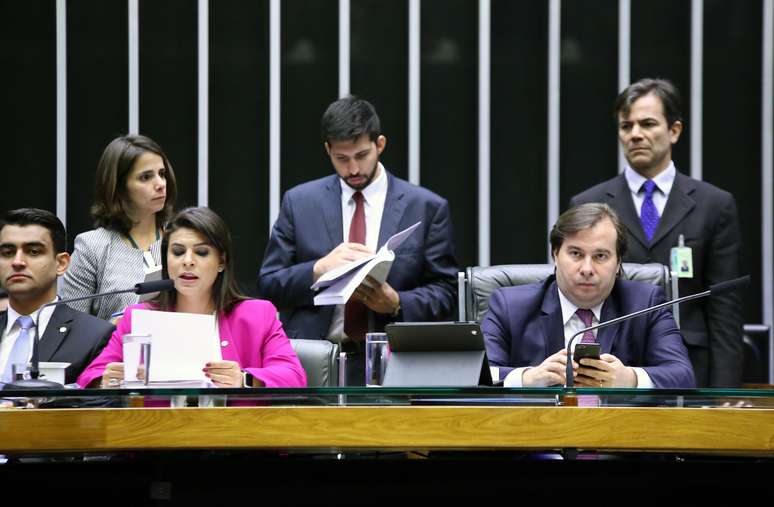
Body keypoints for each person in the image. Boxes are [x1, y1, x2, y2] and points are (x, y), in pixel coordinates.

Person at [257, 96, 459, 386]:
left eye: (361, 155)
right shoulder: (300, 202)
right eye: (342, 158)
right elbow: (268, 284)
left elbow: (446, 292)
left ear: (380, 144)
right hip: (313, 360)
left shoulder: (426, 207)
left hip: (393, 362)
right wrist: (318, 269)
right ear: (328, 150)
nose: (353, 169)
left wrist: (397, 303)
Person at [570, 78, 743, 387]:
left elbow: (724, 311)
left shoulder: (714, 205)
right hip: (610, 366)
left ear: (674, 130)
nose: (635, 134)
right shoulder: (588, 204)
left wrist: (723, 393)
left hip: (691, 370)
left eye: (647, 124)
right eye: (627, 126)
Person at [77, 207, 306, 388]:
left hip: (236, 439)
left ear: (222, 261)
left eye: (201, 252)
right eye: (177, 252)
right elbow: (90, 376)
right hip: (154, 437)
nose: (188, 261)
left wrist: (244, 379)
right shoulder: (138, 317)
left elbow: (294, 376)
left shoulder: (257, 314)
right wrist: (106, 381)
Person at [482, 203, 695, 389]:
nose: (587, 268)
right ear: (555, 254)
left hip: (620, 431)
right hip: (537, 429)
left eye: (600, 256)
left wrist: (631, 379)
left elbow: (682, 376)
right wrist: (526, 378)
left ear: (618, 261)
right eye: (576, 254)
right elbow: (477, 375)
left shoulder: (645, 304)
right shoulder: (510, 306)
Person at [61, 134, 178, 321]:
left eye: (162, 174)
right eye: (146, 177)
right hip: (116, 348)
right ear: (119, 187)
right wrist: (115, 327)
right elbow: (68, 328)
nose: (160, 184)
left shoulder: (182, 239)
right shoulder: (92, 247)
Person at [0, 208, 114, 385]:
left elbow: (98, 404)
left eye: (34, 252)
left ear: (61, 264)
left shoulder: (94, 336)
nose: (17, 262)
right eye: (7, 253)